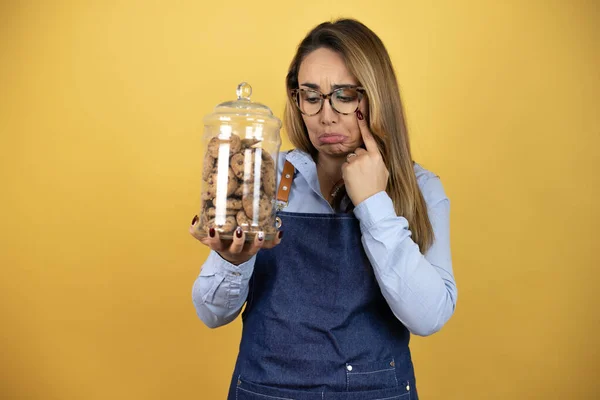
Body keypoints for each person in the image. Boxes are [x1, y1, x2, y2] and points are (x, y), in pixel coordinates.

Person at [190, 18, 457, 400]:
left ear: (375, 96)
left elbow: (429, 317)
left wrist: (374, 204)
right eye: (311, 96)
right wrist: (232, 261)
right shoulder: (265, 177)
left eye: (345, 95)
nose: (326, 115)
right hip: (265, 391)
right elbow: (211, 314)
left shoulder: (421, 189)